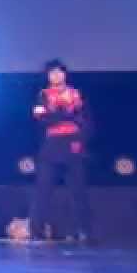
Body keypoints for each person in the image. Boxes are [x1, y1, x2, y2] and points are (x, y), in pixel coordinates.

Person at [28, 59, 93, 244]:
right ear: (48, 76)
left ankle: (83, 231)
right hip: (51, 146)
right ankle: (36, 231)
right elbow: (42, 120)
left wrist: (80, 138)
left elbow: (86, 120)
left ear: (65, 74)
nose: (56, 76)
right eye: (52, 73)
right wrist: (67, 115)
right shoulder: (43, 95)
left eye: (59, 72)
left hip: (73, 144)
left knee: (78, 191)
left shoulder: (76, 94)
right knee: (43, 190)